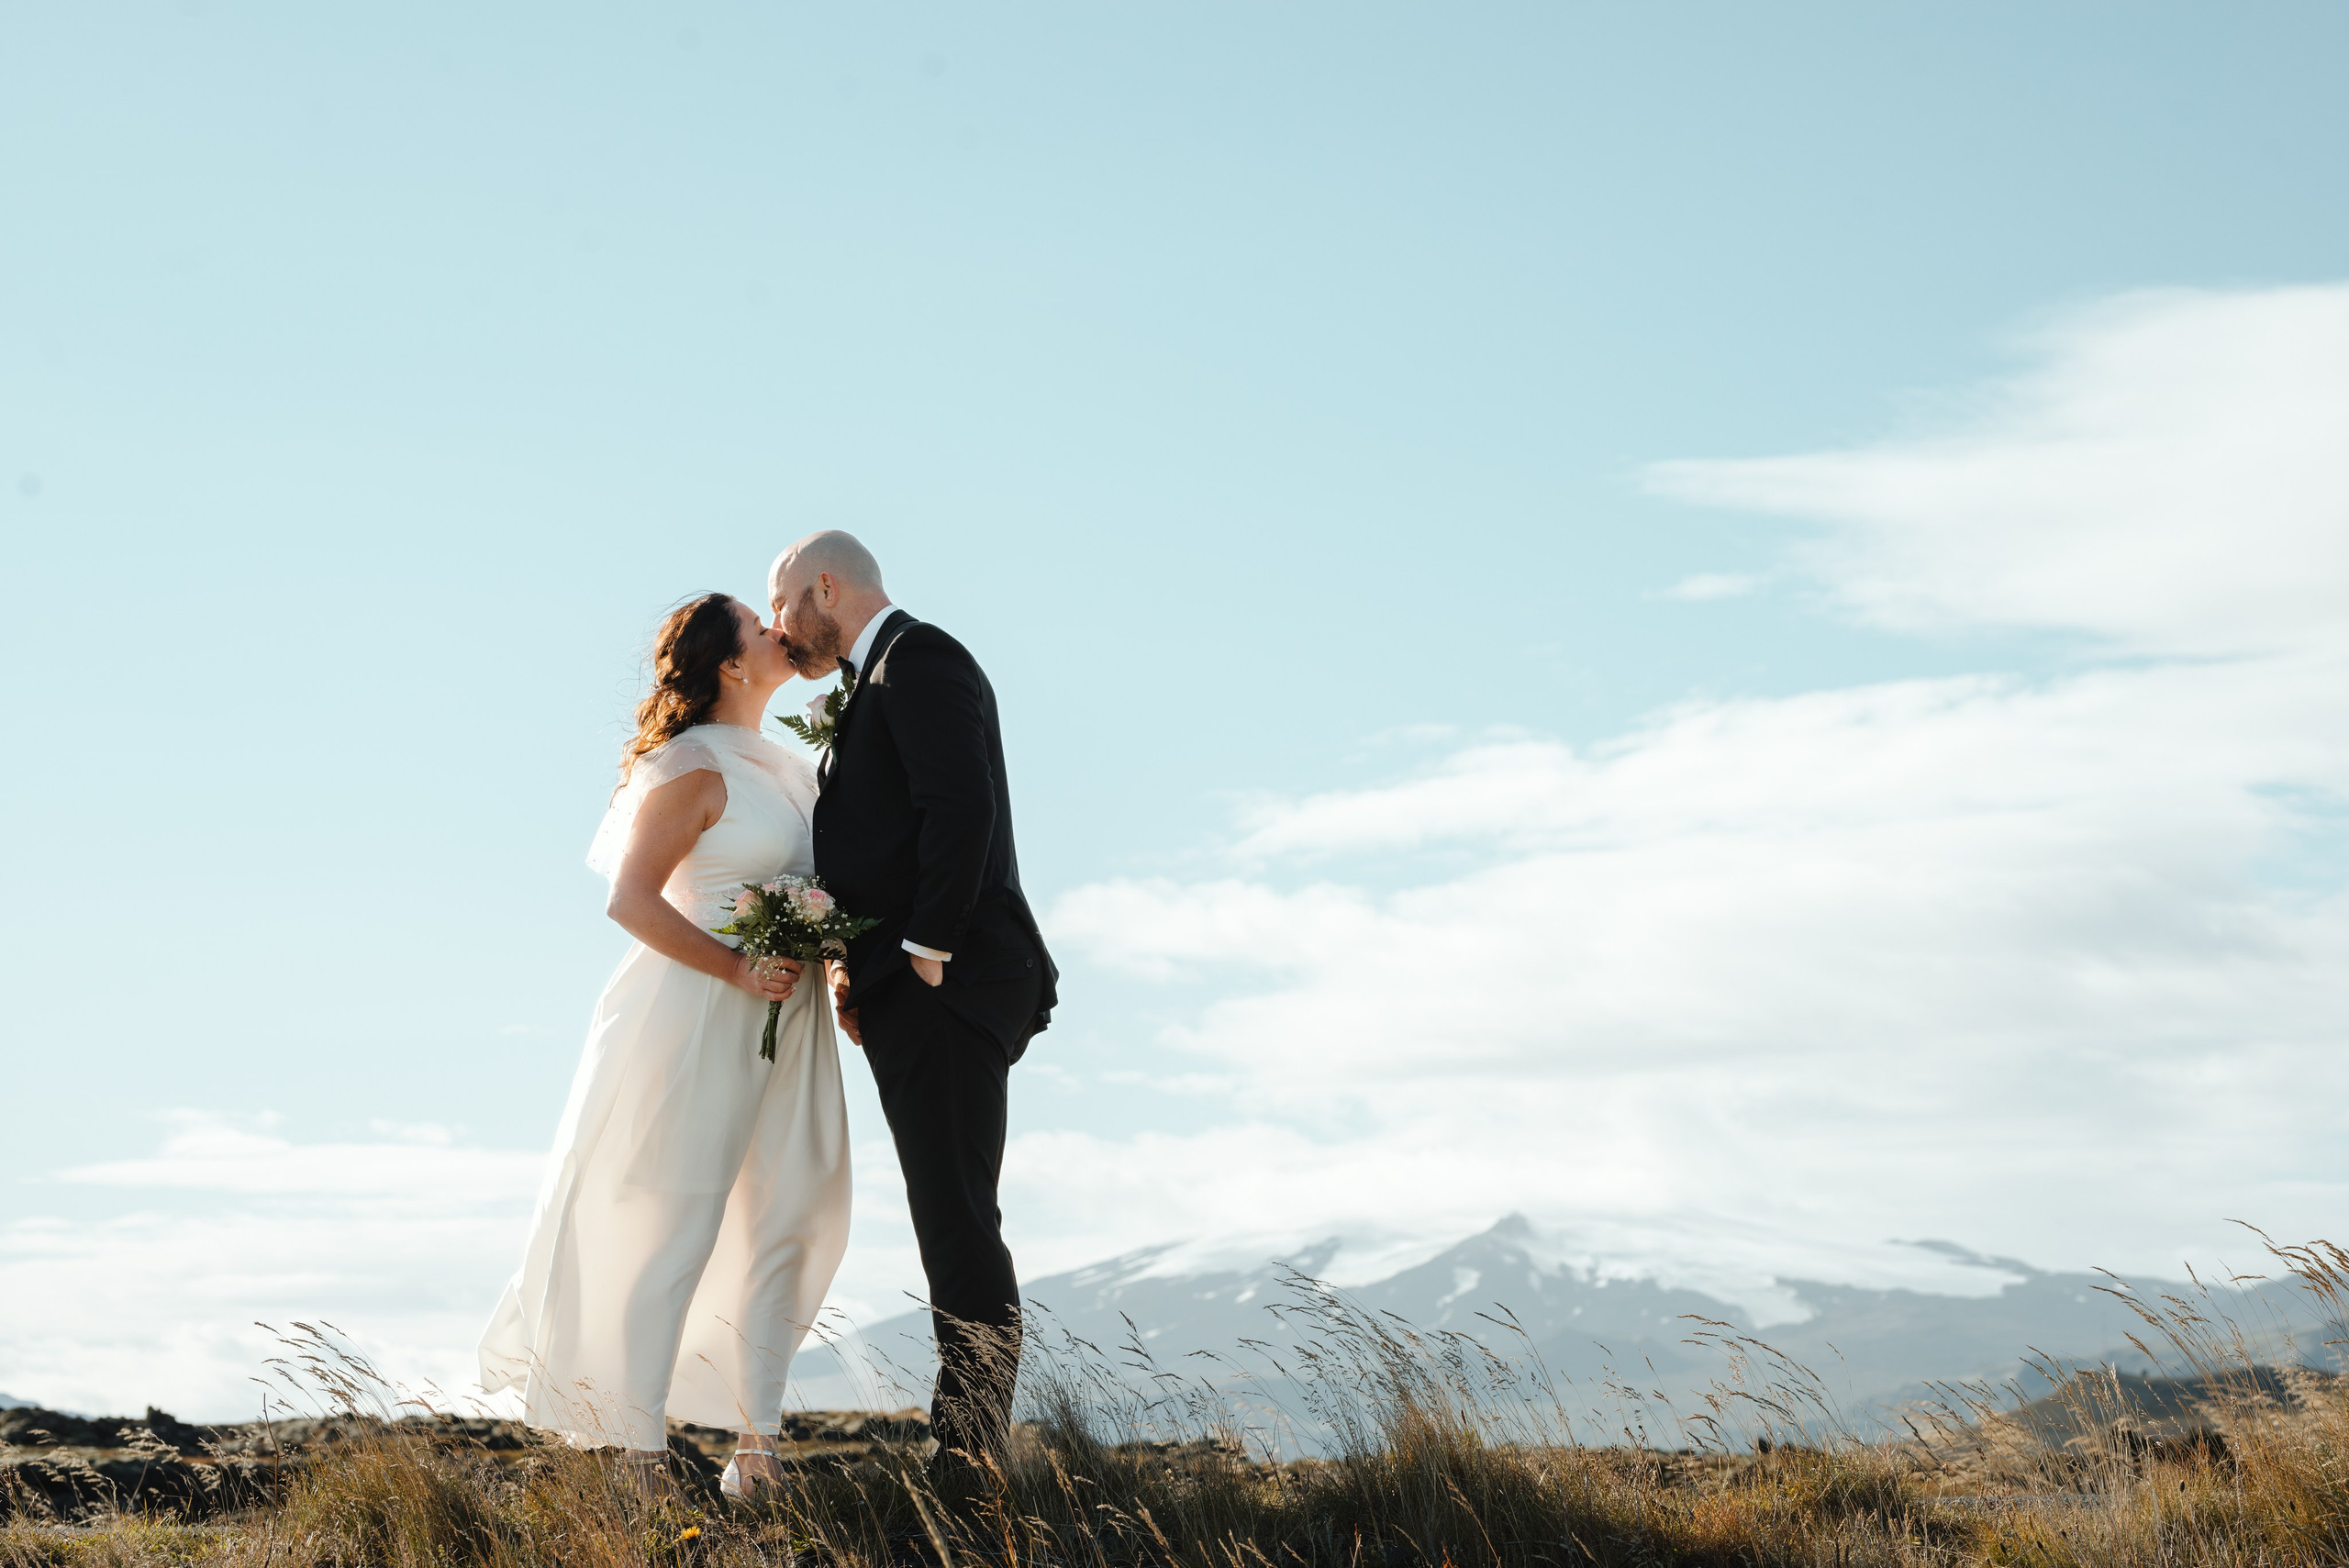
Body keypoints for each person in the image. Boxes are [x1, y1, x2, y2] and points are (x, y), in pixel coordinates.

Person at [478, 592, 851, 1500]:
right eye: (760, 628)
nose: (778, 629)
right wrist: (733, 967)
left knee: (793, 1210)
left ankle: (758, 1450)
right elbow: (632, 899)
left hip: (789, 1014)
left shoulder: (796, 768)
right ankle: (639, 1452)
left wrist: (833, 964)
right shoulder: (688, 763)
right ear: (730, 662)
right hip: (697, 1007)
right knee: (675, 1216)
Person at [768, 531, 1056, 1477]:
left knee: (956, 1215)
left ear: (824, 584)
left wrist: (923, 950)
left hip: (954, 978)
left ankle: (969, 1454)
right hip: (918, 986)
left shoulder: (917, 658)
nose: (780, 628)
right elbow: (890, 838)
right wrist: (856, 962)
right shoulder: (881, 675)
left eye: (783, 604)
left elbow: (959, 805)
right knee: (950, 1208)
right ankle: (967, 1441)